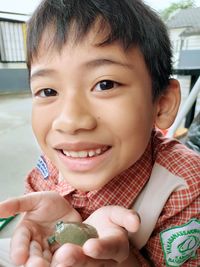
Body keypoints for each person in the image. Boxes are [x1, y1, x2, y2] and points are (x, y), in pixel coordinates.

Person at [0, 0, 199, 266]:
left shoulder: (184, 186)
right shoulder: (52, 164)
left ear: (162, 104)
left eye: (105, 84)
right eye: (48, 91)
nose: (69, 122)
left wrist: (125, 260)